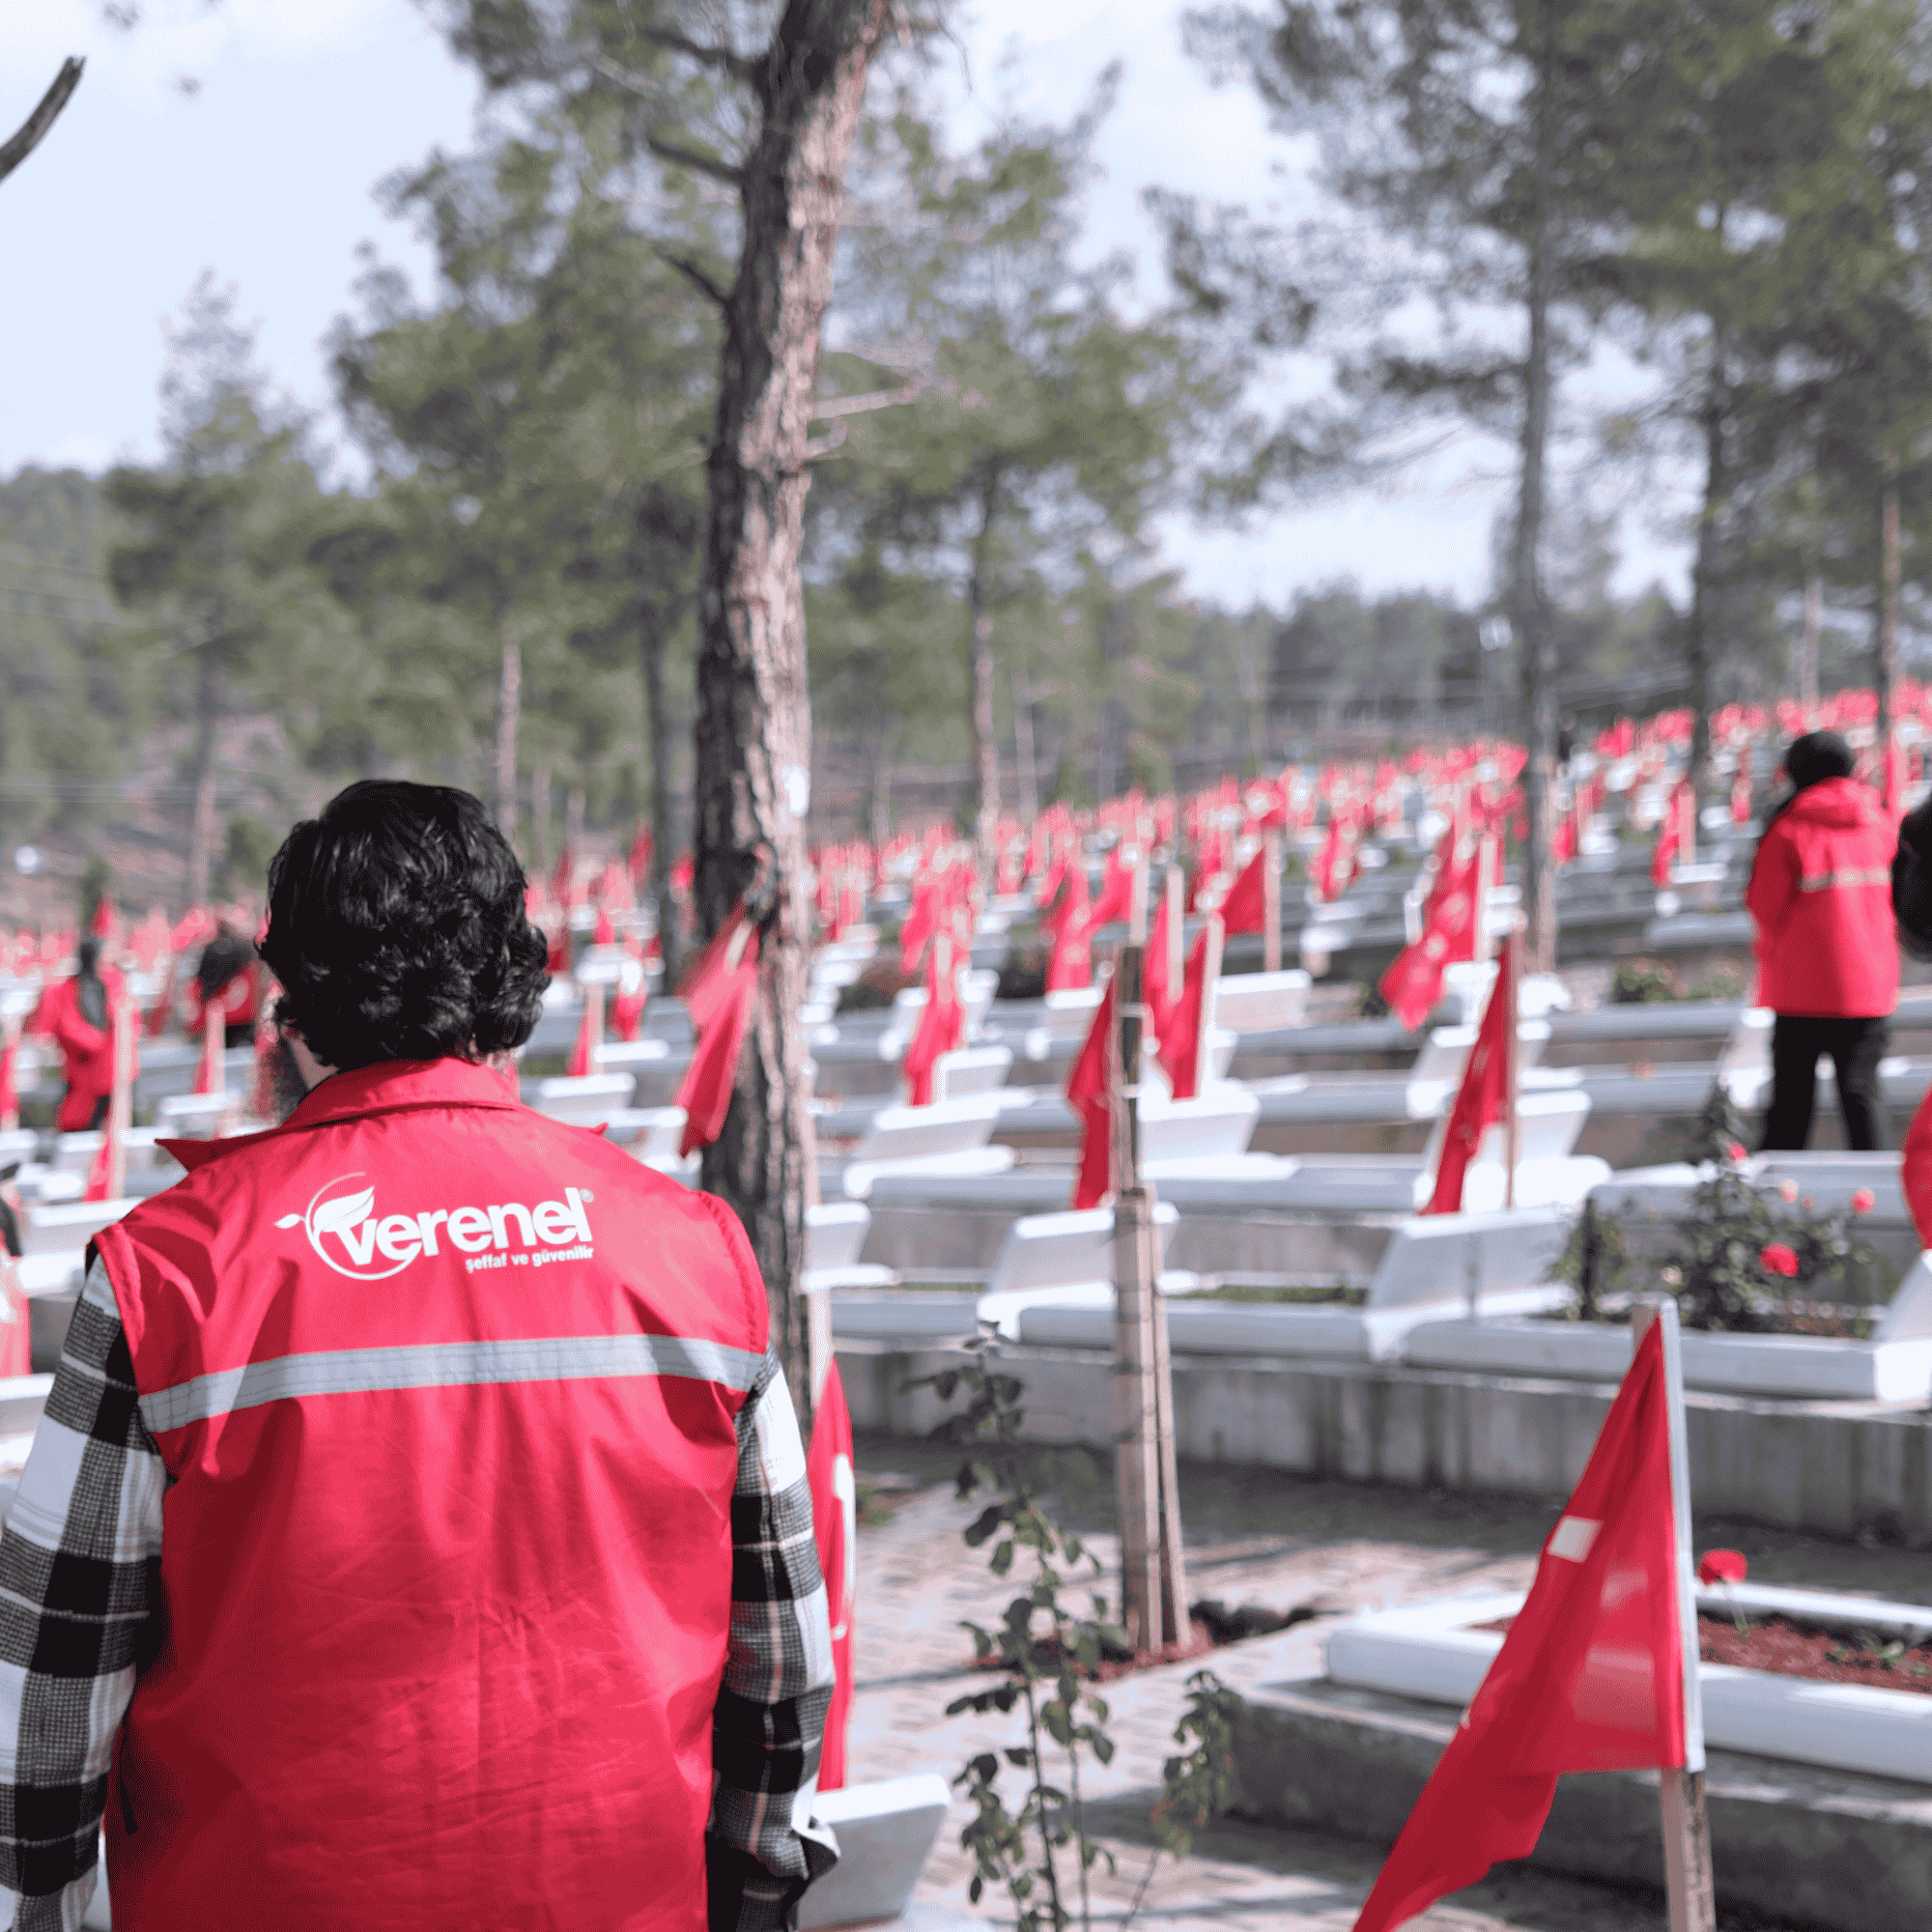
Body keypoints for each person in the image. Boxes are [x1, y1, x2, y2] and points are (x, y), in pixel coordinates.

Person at [0, 781, 837, 1931]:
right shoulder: (694, 1252)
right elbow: (782, 1667)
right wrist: (749, 1893)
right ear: (513, 981)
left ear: (292, 997)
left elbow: (46, 1694)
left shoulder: (173, 1271)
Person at [1744, 730, 1900, 1151]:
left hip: (1801, 992)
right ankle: (1881, 1202)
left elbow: (1764, 906)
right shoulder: (1880, 822)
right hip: (1869, 987)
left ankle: (1773, 1206)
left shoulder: (1789, 830)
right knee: (1862, 1100)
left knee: (1791, 1110)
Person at [35, 937, 132, 1131]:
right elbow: (67, 1027)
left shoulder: (111, 986)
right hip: (82, 1071)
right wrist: (102, 1045)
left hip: (110, 1071)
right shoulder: (67, 989)